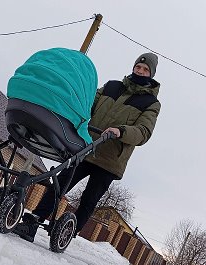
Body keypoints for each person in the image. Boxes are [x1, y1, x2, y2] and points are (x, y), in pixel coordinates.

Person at [13, 52, 161, 242]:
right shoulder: (112, 86)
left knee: (89, 199)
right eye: (138, 67)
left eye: (145, 69)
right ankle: (33, 220)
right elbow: (87, 104)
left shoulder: (151, 103)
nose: (140, 71)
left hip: (111, 158)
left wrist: (121, 131)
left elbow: (143, 131)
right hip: (87, 147)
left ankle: (68, 231)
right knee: (61, 183)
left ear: (151, 74)